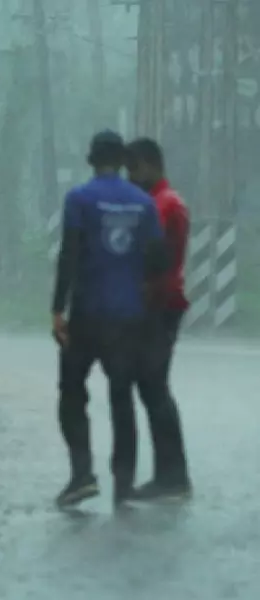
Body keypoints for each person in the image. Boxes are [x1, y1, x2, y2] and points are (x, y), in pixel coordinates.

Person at [51, 130, 168, 508]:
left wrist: (57, 309)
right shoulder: (143, 203)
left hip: (87, 314)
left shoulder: (79, 199)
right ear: (121, 160)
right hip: (128, 317)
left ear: (91, 160)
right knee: (122, 397)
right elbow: (158, 259)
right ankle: (124, 483)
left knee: (72, 392)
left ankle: (82, 475)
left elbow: (69, 254)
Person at [124, 137, 193, 501]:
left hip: (160, 305)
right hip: (154, 303)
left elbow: (159, 260)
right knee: (152, 388)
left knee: (154, 387)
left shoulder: (165, 205)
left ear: (151, 164)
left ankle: (172, 475)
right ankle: (169, 473)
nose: (131, 177)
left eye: (134, 169)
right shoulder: (157, 203)